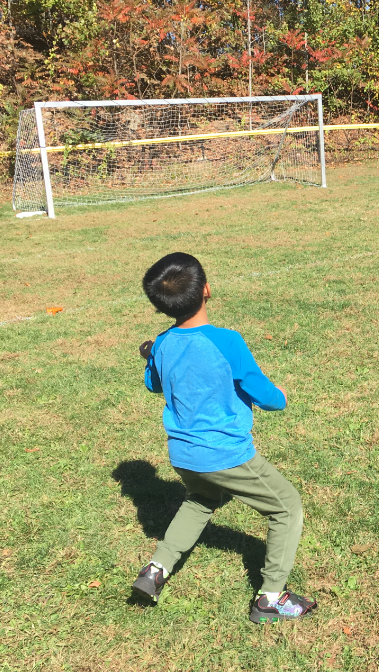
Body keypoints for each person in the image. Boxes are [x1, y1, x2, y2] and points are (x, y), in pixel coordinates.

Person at [132, 252, 317, 624]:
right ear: (207, 291)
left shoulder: (163, 344)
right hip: (226, 455)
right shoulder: (227, 342)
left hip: (183, 456)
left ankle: (157, 568)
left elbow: (154, 384)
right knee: (286, 506)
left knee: (202, 499)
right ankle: (270, 599)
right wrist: (280, 395)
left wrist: (150, 356)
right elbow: (266, 397)